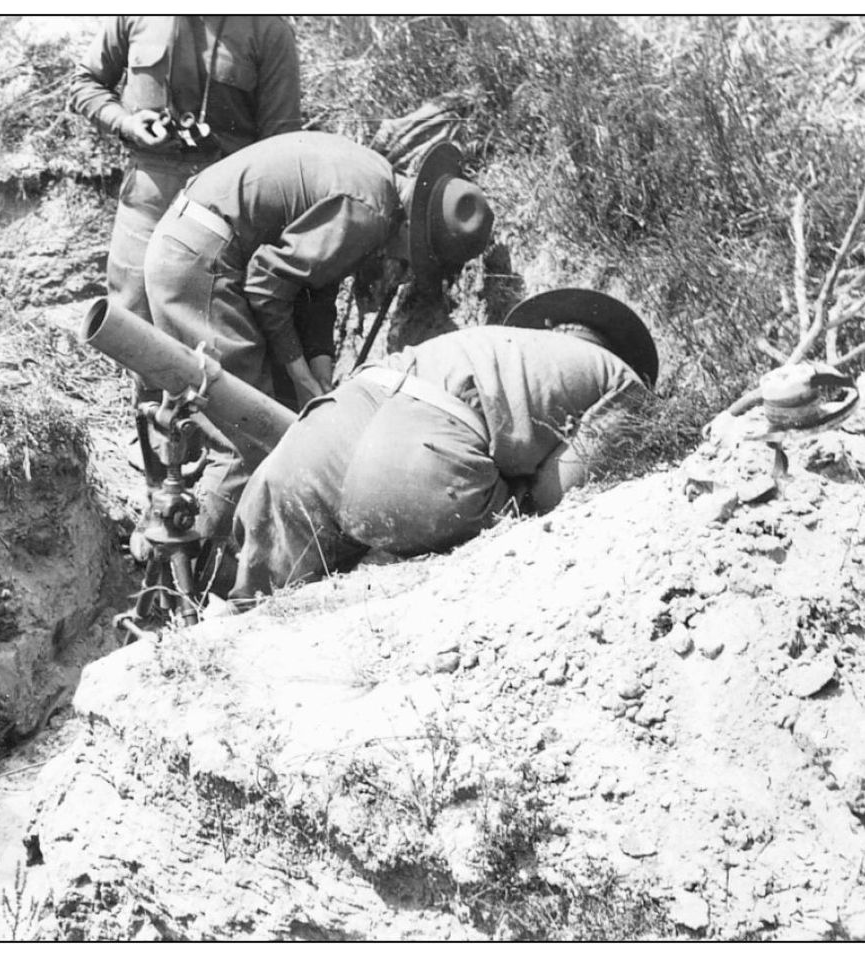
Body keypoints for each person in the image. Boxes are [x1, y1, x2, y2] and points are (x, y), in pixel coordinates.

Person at [144, 131, 495, 542]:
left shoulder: (374, 180)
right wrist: (297, 372)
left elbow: (313, 283)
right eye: (413, 256)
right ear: (413, 233)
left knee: (236, 417)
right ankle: (198, 571)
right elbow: (266, 282)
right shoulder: (371, 213)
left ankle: (171, 542)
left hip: (192, 244)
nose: (400, 262)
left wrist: (318, 361)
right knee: (249, 433)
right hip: (203, 262)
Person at [223, 289, 659, 604]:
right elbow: (559, 496)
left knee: (257, 613)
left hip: (330, 422)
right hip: (417, 463)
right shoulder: (623, 381)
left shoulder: (486, 341)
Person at [69, 16, 304, 344]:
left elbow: (282, 143)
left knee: (211, 325)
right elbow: (85, 83)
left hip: (225, 204)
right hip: (148, 195)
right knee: (133, 319)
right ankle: (148, 396)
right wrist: (126, 123)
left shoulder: (266, 29)